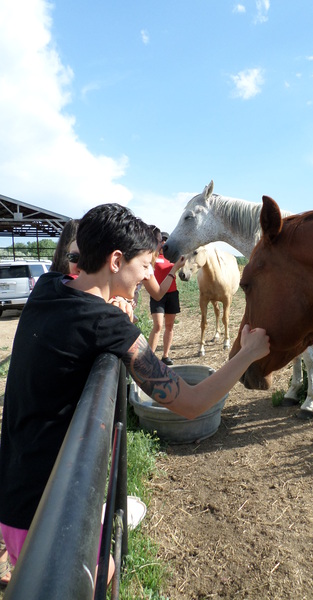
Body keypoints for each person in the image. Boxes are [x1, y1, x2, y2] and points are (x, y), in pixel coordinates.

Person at [0, 203, 270, 570]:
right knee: (100, 574)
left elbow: (80, 284)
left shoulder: (49, 287)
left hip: (17, 487)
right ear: (115, 261)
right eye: (144, 266)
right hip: (45, 509)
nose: (147, 277)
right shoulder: (107, 326)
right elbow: (190, 404)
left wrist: (111, 299)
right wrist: (247, 354)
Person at [147, 231, 179, 365]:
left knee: (169, 326)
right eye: (162, 240)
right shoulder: (153, 257)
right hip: (157, 294)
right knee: (158, 325)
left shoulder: (173, 257)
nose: (164, 242)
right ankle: (149, 357)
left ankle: (165, 356)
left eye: (166, 240)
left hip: (172, 293)